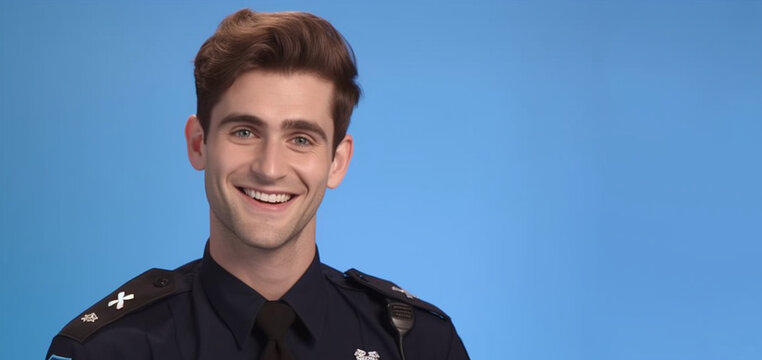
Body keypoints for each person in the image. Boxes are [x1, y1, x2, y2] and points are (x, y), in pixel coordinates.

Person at [46, 9, 468, 360]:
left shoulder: (418, 344)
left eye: (301, 139)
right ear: (199, 144)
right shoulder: (111, 350)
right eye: (245, 132)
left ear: (337, 162)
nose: (270, 168)